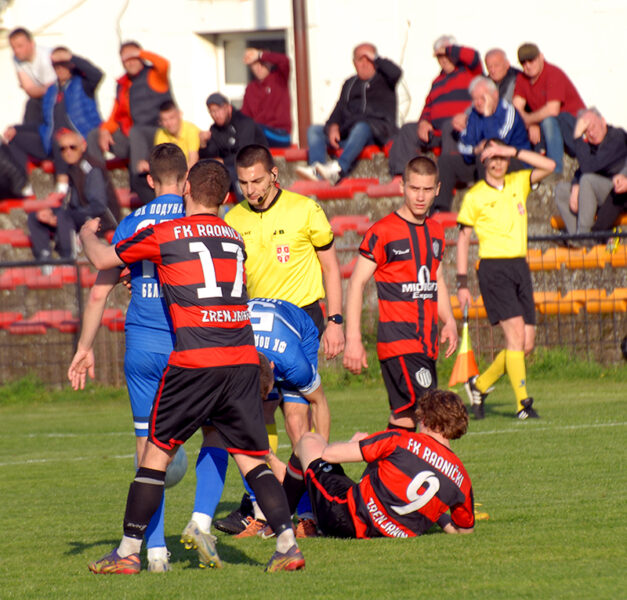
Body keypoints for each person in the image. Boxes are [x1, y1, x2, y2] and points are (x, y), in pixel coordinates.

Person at [81, 158, 305, 574]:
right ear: (224, 197)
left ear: (186, 188)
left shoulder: (166, 233)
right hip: (240, 360)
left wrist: (85, 236)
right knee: (252, 459)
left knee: (154, 457)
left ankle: (129, 551)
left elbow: (103, 260)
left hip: (195, 360)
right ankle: (288, 545)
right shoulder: (234, 238)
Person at [67, 143, 187, 572]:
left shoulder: (134, 223)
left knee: (145, 449)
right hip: (189, 344)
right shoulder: (199, 221)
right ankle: (208, 523)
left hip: (141, 346)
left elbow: (100, 291)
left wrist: (83, 349)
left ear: (150, 181)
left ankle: (154, 552)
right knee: (220, 434)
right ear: (185, 179)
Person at [220, 143, 344, 532]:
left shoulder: (305, 209)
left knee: (296, 417)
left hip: (301, 321)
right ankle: (262, 507)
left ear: (273, 175)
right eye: (242, 183)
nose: (250, 190)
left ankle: (309, 500)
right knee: (257, 412)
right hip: (255, 323)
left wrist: (337, 321)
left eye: (256, 181)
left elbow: (330, 267)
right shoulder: (232, 218)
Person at [343, 156, 458, 431]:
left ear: (438, 189)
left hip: (426, 343)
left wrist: (449, 321)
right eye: (414, 188)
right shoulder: (383, 232)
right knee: (434, 419)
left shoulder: (436, 231)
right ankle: (435, 475)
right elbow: (357, 283)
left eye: (427, 189)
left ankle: (376, 471)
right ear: (401, 187)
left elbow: (437, 278)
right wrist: (353, 339)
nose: (420, 196)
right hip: (399, 344)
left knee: (404, 419)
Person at [201, 297, 331, 538]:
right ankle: (260, 515)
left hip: (299, 332)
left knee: (296, 421)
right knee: (253, 417)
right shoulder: (228, 354)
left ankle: (307, 515)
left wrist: (320, 460)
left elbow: (319, 402)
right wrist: (271, 459)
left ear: (273, 367)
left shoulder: (293, 362)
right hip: (253, 343)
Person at [280, 389, 475, 539]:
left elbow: (329, 454)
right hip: (391, 533)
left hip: (344, 518)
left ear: (426, 418)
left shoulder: (401, 440)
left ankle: (279, 520)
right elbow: (463, 531)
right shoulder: (461, 479)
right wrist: (437, 511)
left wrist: (352, 443)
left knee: (308, 441)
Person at [456, 139, 555, 420]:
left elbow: (550, 165)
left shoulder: (518, 182)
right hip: (493, 269)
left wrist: (511, 150)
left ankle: (480, 384)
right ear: (484, 161)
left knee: (525, 344)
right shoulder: (474, 196)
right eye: (492, 157)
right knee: (514, 335)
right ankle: (523, 403)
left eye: (502, 157)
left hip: (519, 268)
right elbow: (463, 240)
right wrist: (462, 283)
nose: (498, 162)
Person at [295, 43, 401, 184]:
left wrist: (376, 58)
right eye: (360, 59)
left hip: (376, 132)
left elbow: (396, 72)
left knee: (362, 127)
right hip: (350, 135)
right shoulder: (350, 84)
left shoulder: (385, 80)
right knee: (314, 130)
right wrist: (332, 126)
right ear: (354, 63)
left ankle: (339, 168)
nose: (364, 64)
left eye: (368, 59)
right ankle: (317, 171)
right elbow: (338, 110)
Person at [4, 46, 103, 194]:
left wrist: (70, 57)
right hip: (51, 141)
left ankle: (62, 187)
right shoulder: (51, 91)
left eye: (64, 65)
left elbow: (97, 75)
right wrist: (16, 129)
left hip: (80, 138)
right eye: (56, 66)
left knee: (61, 137)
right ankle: (24, 186)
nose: (60, 69)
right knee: (15, 138)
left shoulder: (83, 83)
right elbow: (45, 124)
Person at [88, 41, 173, 205]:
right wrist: (105, 130)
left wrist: (140, 53)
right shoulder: (123, 84)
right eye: (126, 59)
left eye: (133, 57)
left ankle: (138, 183)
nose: (131, 61)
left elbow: (164, 63)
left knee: (137, 132)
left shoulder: (154, 75)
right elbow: (115, 114)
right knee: (94, 135)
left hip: (157, 134)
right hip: (133, 140)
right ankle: (99, 188)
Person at [388, 36, 482, 177]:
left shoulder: (470, 72)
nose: (444, 59)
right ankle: (403, 175)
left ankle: (447, 175)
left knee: (449, 126)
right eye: (439, 56)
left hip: (462, 129)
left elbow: (473, 56)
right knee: (408, 130)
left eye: (447, 55)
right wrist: (424, 122)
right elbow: (428, 106)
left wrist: (449, 49)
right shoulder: (437, 81)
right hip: (436, 132)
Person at [434, 75, 530, 211]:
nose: (478, 103)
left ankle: (487, 205)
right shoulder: (474, 114)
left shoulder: (509, 112)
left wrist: (488, 115)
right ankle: (439, 209)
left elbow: (496, 144)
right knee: (445, 161)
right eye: (475, 99)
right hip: (482, 161)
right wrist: (475, 150)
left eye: (482, 98)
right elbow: (465, 144)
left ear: (494, 95)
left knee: (484, 156)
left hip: (513, 161)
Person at [27, 129, 117, 265]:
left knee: (64, 216)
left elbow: (98, 205)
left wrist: (63, 214)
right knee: (36, 216)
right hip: (79, 214)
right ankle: (44, 257)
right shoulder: (73, 168)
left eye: (72, 147)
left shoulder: (91, 168)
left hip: (101, 219)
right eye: (63, 149)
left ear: (83, 147)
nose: (68, 152)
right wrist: (51, 214)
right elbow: (71, 203)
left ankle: (68, 259)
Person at [512, 43, 585, 174]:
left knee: (549, 121)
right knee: (521, 126)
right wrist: (531, 123)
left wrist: (529, 120)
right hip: (547, 123)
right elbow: (516, 109)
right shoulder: (522, 79)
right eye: (523, 63)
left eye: (531, 60)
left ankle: (555, 169)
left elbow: (552, 110)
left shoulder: (553, 73)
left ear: (541, 57)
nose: (528, 66)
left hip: (573, 123)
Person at [554, 107, 627, 237]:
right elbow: (581, 170)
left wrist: (577, 137)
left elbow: (589, 167)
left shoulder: (617, 137)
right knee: (562, 190)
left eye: (593, 127)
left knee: (587, 180)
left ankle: (584, 236)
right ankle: (575, 238)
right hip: (602, 193)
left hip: (619, 193)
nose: (591, 133)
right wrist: (576, 184)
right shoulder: (592, 145)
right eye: (586, 131)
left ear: (603, 121)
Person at [198, 93, 267, 191]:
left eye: (218, 110)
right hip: (230, 168)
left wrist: (224, 161)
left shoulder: (244, 123)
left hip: (255, 164)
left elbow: (246, 154)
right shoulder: (214, 129)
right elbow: (211, 155)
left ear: (228, 108)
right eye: (212, 111)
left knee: (235, 173)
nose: (216, 115)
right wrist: (203, 144)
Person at [241, 47, 291, 147]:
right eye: (255, 64)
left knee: (255, 130)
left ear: (269, 64)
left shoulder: (279, 79)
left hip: (281, 134)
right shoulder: (250, 89)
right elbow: (245, 116)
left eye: (263, 64)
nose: (259, 68)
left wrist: (260, 54)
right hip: (258, 135)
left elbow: (284, 61)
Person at [8, 27, 56, 125]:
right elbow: (29, 89)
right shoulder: (16, 59)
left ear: (32, 43)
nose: (16, 51)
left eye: (20, 46)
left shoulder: (47, 57)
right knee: (31, 105)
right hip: (41, 98)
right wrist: (39, 89)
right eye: (13, 47)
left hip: (60, 98)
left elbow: (52, 90)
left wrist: (36, 89)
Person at [150, 100, 200, 169]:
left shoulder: (191, 129)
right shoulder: (161, 133)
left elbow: (193, 161)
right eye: (164, 120)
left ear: (180, 114)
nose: (169, 123)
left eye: (172, 118)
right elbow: (159, 162)